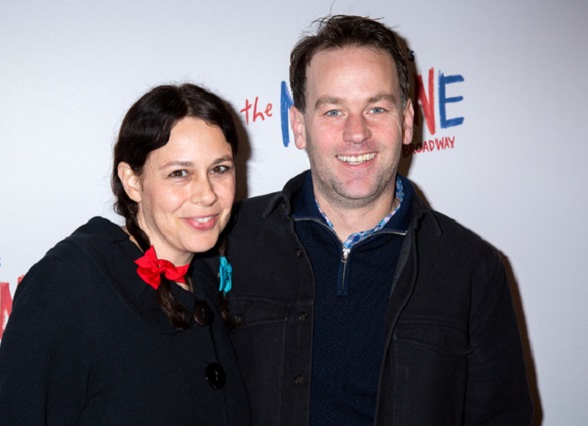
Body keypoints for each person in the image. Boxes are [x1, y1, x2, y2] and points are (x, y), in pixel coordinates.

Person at [204, 15, 533, 425]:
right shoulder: (227, 241)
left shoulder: (471, 268)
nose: (356, 133)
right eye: (333, 111)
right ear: (298, 125)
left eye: (376, 108)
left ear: (408, 121)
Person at [0, 84, 250, 425]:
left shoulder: (209, 275)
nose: (207, 194)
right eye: (179, 173)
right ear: (132, 181)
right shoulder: (69, 284)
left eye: (220, 169)